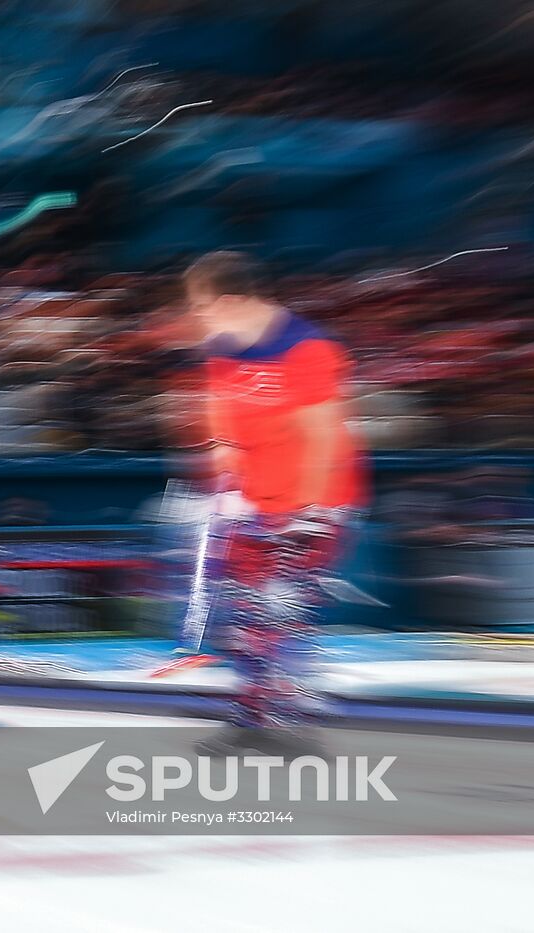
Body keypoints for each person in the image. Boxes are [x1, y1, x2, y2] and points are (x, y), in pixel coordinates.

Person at [179, 251, 364, 756]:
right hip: (253, 503)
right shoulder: (224, 347)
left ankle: (292, 725)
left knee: (279, 613)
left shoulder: (308, 351)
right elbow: (220, 416)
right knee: (244, 616)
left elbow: (324, 438)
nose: (198, 317)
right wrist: (226, 472)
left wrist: (308, 513)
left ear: (233, 300)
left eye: (202, 306)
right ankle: (255, 718)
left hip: (314, 505)